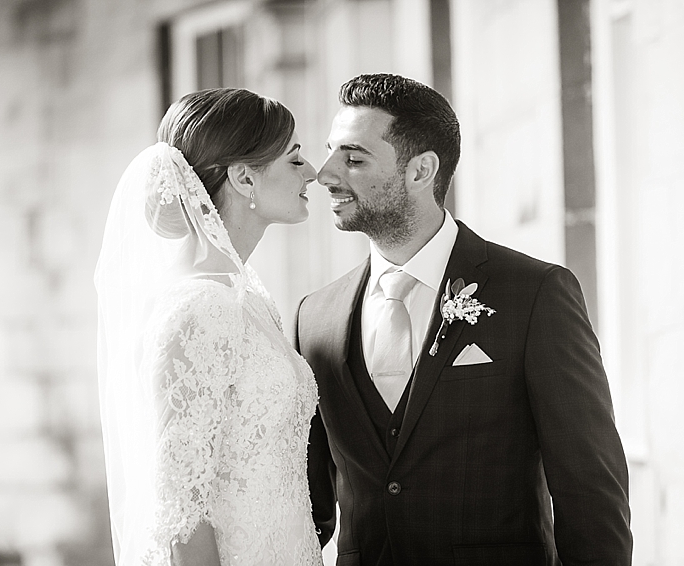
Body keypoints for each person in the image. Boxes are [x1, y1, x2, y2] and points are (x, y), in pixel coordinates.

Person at [295, 74, 632, 565]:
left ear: (420, 170)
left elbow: (591, 492)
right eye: (330, 153)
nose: (323, 174)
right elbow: (307, 506)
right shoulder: (314, 318)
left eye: (353, 157)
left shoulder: (535, 294)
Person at [95, 88, 322, 566]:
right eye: (295, 159)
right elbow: (182, 517)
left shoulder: (248, 299)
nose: (314, 173)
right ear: (244, 178)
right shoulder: (200, 309)